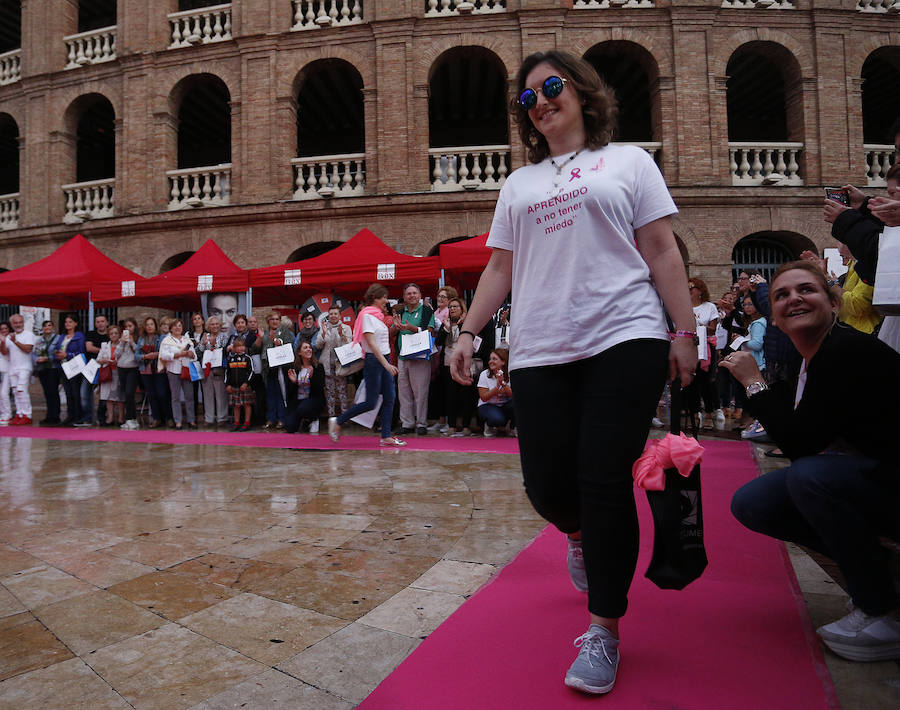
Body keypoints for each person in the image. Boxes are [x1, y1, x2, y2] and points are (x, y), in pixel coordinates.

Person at [449, 50, 697, 696]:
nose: (540, 102)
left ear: (584, 93)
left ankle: (604, 631)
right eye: (528, 98)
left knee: (605, 479)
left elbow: (662, 248)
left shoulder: (630, 162)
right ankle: (577, 534)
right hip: (540, 347)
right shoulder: (519, 185)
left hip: (625, 334)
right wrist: (469, 331)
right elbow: (500, 268)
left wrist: (684, 329)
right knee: (549, 487)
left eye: (551, 87)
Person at [723, 260, 900, 663]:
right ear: (775, 317)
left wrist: (753, 381)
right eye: (782, 294)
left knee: (810, 478)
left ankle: (884, 612)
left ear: (833, 302)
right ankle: (880, 569)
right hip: (879, 474)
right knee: (755, 501)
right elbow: (801, 430)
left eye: (807, 290)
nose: (794, 299)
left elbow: (801, 444)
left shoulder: (845, 350)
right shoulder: (813, 359)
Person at [329, 283, 406, 447]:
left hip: (384, 359)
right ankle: (338, 420)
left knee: (390, 398)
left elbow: (382, 341)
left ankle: (386, 436)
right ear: (375, 298)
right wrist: (386, 365)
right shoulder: (366, 316)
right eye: (383, 297)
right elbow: (371, 344)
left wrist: (395, 328)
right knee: (370, 402)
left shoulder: (377, 316)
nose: (386, 300)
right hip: (374, 361)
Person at [393, 282, 435, 436]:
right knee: (403, 391)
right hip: (403, 356)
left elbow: (430, 330)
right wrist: (395, 326)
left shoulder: (426, 311)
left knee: (421, 391)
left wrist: (411, 328)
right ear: (404, 297)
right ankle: (407, 423)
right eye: (408, 293)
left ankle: (421, 423)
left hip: (420, 355)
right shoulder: (400, 311)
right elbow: (392, 333)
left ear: (420, 295)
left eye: (414, 293)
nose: (412, 296)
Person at [686, 277, 724, 429]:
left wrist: (698, 325)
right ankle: (695, 413)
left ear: (700, 291)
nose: (689, 291)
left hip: (706, 348)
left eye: (692, 288)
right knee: (691, 381)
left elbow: (713, 328)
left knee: (706, 381)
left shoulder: (709, 307)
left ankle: (709, 413)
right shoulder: (684, 307)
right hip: (690, 347)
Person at [436, 297, 476, 436]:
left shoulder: (467, 323)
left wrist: (461, 324)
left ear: (462, 309)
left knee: (466, 395)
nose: (452, 309)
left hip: (464, 362)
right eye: (451, 307)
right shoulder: (446, 322)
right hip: (448, 362)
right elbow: (438, 342)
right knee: (450, 395)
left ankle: (466, 425)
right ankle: (451, 425)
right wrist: (446, 329)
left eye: (455, 307)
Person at [159, 318, 198, 430]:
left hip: (186, 369)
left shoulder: (187, 340)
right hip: (173, 370)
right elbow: (164, 355)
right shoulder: (167, 341)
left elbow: (194, 355)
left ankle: (191, 420)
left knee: (189, 396)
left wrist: (190, 354)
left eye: (180, 326)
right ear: (171, 328)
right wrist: (179, 354)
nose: (177, 328)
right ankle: (178, 421)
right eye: (175, 326)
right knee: (175, 397)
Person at [260, 312, 294, 429]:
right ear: (268, 321)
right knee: (270, 394)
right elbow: (257, 348)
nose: (274, 321)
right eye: (272, 319)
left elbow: (289, 345)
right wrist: (260, 339)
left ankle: (282, 418)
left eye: (277, 319)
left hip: (280, 367)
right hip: (268, 367)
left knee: (281, 393)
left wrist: (278, 341)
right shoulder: (264, 332)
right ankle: (271, 418)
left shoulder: (284, 331)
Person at [318, 305, 353, 419]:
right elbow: (318, 345)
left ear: (339, 315)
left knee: (342, 390)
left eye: (335, 313)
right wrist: (323, 333)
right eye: (331, 314)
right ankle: (331, 416)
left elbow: (349, 346)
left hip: (340, 364)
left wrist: (342, 335)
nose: (333, 316)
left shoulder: (346, 328)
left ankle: (345, 416)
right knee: (330, 391)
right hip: (327, 364)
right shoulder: (324, 327)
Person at [137, 317, 170, 428]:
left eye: (151, 324)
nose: (150, 326)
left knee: (162, 394)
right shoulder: (141, 339)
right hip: (145, 370)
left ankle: (168, 417)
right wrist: (145, 356)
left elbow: (165, 351)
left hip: (159, 368)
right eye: (147, 324)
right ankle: (156, 418)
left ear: (155, 326)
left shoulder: (161, 337)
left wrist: (156, 354)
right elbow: (136, 355)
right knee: (151, 395)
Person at [285, 341, 325, 433]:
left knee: (304, 408)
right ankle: (304, 421)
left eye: (310, 348)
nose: (308, 350)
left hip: (313, 400)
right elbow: (289, 393)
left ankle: (313, 419)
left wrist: (311, 378)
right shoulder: (294, 368)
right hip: (298, 401)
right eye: (305, 348)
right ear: (299, 352)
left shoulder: (318, 367)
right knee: (290, 427)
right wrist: (294, 382)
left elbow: (319, 389)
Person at [2, 315, 35, 426]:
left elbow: (28, 349)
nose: (18, 324)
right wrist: (2, 342)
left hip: (24, 368)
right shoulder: (9, 337)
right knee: (16, 392)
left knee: (22, 391)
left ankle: (27, 415)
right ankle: (19, 414)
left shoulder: (28, 335)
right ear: (11, 324)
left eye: (20, 322)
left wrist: (15, 341)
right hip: (13, 368)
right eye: (15, 323)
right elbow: (5, 352)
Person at [198, 315, 230, 427]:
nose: (215, 326)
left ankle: (222, 417)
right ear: (208, 326)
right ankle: (209, 418)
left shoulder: (224, 336)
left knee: (221, 393)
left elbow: (225, 350)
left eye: (217, 324)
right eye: (212, 324)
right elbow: (200, 351)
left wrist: (213, 344)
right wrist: (203, 343)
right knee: (207, 394)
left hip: (219, 368)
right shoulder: (204, 336)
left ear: (220, 325)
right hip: (206, 369)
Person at [56, 315, 86, 426]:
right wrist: (57, 354)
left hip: (75, 367)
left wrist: (67, 354)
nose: (67, 324)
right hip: (63, 366)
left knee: (75, 392)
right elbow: (57, 348)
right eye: (66, 322)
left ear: (76, 323)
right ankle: (70, 415)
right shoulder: (63, 336)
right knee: (68, 392)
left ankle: (78, 416)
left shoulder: (79, 336)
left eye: (70, 322)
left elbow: (81, 351)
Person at [476, 348, 514, 437]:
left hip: (505, 405)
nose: (490, 361)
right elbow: (484, 397)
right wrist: (496, 388)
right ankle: (490, 426)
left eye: (494, 359)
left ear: (503, 362)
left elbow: (513, 395)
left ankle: (511, 427)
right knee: (497, 419)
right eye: (490, 359)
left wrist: (503, 383)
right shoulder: (484, 374)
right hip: (487, 405)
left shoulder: (510, 373)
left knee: (518, 403)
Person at [80, 314, 109, 426]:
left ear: (106, 322)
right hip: (91, 366)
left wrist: (99, 351)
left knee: (104, 394)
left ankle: (102, 417)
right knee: (84, 392)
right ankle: (88, 417)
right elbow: (89, 348)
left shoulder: (110, 334)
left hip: (106, 367)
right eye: (98, 322)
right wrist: (103, 351)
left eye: (102, 321)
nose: (100, 323)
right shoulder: (91, 334)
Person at [33, 320, 61, 425]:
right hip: (42, 369)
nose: (47, 328)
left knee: (53, 392)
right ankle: (49, 416)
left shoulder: (58, 339)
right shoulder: (40, 340)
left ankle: (55, 416)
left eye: (49, 325)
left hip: (53, 368)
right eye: (44, 326)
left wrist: (48, 358)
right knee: (47, 393)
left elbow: (58, 352)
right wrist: (37, 359)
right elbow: (34, 352)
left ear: (53, 327)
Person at [225, 336, 254, 431]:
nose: (241, 348)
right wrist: (227, 384)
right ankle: (236, 422)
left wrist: (246, 383)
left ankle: (247, 423)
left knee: (246, 404)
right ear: (234, 348)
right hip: (234, 386)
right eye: (238, 346)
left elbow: (251, 371)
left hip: (244, 387)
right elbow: (227, 373)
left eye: (242, 346)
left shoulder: (247, 358)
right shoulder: (230, 358)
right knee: (236, 405)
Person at [116, 318, 140, 430]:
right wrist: (122, 342)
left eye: (130, 326)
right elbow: (116, 354)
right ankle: (131, 419)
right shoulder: (122, 340)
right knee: (126, 394)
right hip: (121, 368)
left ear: (134, 326)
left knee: (130, 393)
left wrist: (131, 342)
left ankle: (130, 418)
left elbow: (138, 351)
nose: (128, 329)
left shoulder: (137, 338)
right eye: (126, 327)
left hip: (132, 368)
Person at [98, 325, 124, 427]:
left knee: (120, 396)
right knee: (108, 397)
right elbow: (98, 359)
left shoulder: (122, 345)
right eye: (111, 333)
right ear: (109, 335)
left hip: (119, 372)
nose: (113, 335)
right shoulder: (105, 346)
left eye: (116, 333)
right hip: (108, 373)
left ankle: (121, 417)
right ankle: (110, 417)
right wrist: (105, 361)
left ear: (119, 334)